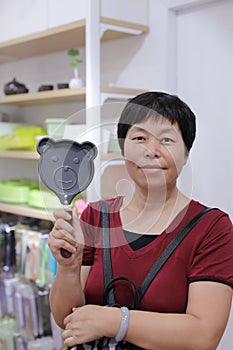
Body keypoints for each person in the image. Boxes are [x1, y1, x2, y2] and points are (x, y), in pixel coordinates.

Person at [48, 91, 233, 350]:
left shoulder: (212, 228)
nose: (152, 151)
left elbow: (204, 336)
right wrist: (68, 268)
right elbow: (66, 319)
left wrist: (115, 321)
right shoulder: (95, 217)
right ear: (124, 149)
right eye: (139, 138)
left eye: (167, 140)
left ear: (186, 154)